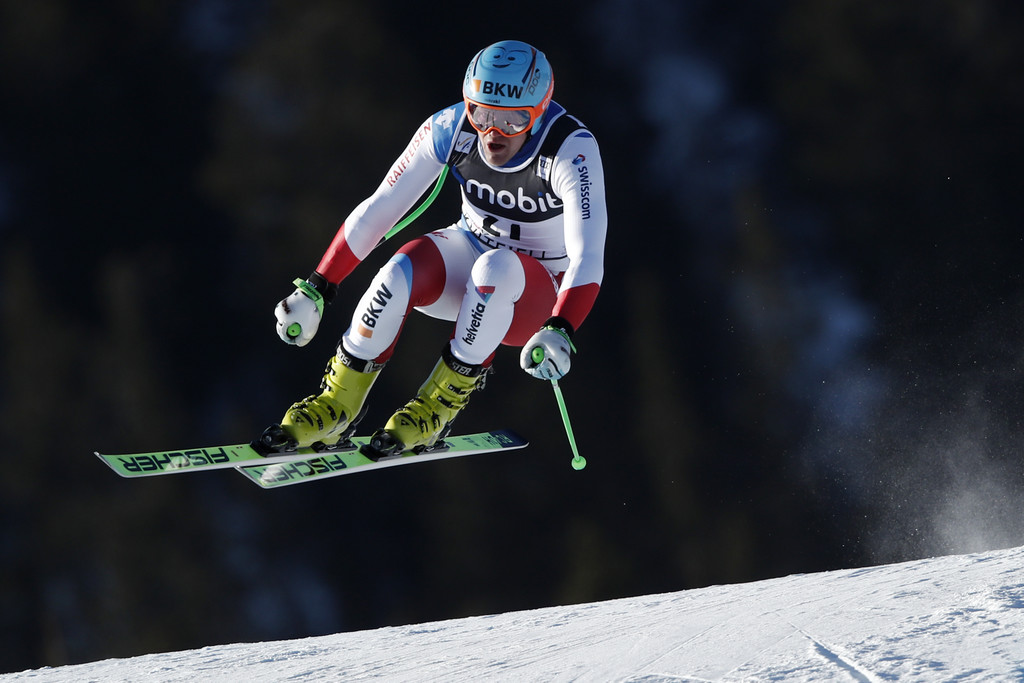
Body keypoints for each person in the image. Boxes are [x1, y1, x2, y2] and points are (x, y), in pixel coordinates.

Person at [263, 39, 607, 459]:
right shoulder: (450, 128)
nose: (493, 134)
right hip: (470, 257)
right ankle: (336, 404)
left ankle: (436, 407)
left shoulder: (570, 149)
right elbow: (381, 208)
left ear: (538, 113)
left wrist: (561, 327)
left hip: (536, 297)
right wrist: (318, 286)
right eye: (482, 114)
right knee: (400, 270)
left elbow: (589, 253)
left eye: (513, 120)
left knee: (496, 268)